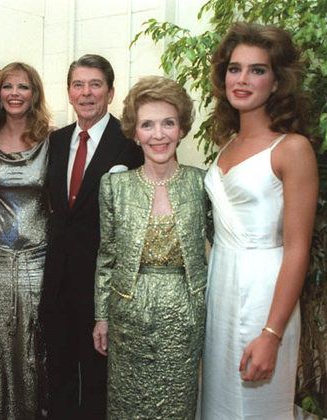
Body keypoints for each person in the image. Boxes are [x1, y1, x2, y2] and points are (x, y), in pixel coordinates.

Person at [201, 22, 319, 419]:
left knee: (254, 410)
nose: (243, 79)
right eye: (235, 68)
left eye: (257, 69)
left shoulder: (293, 149)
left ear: (277, 80)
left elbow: (298, 247)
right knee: (218, 403)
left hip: (264, 296)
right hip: (221, 287)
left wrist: (272, 334)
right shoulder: (225, 145)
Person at [92, 76, 208, 419]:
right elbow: (107, 257)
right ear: (135, 132)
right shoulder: (115, 186)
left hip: (185, 318)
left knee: (176, 406)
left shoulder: (203, 184)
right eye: (147, 124)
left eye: (168, 123)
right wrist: (101, 316)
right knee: (128, 406)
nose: (158, 135)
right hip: (127, 317)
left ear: (182, 128)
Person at [39, 54, 143, 420]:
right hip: (57, 280)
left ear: (111, 92)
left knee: (101, 378)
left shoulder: (130, 144)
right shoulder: (56, 142)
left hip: (104, 285)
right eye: (78, 85)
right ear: (68, 93)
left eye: (95, 84)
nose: (86, 93)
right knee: (60, 373)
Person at [0, 62, 51, 420]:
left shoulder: (52, 139)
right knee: (2, 338)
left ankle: (40, 411)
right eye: (8, 87)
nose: (15, 94)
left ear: (34, 94)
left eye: (23, 87)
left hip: (40, 252)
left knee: (38, 337)